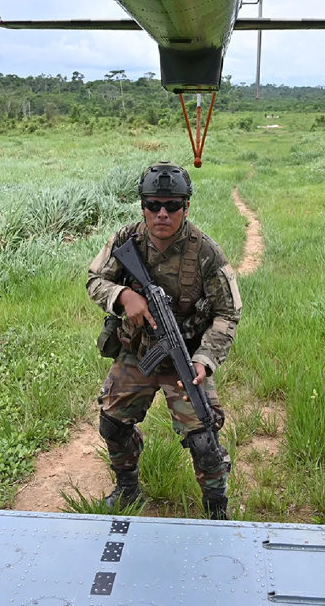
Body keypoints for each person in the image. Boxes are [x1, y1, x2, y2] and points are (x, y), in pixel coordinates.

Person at [87, 163, 242, 520]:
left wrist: (205, 359)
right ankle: (127, 488)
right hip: (139, 351)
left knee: (204, 439)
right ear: (142, 205)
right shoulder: (126, 240)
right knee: (112, 422)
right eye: (153, 204)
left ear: (186, 207)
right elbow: (95, 279)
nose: (162, 213)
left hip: (186, 358)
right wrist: (124, 295)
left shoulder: (206, 253)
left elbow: (228, 313)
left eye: (172, 206)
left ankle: (217, 508)